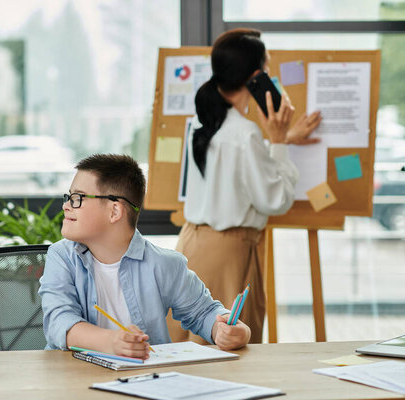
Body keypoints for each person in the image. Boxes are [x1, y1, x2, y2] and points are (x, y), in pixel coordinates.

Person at [167, 28, 322, 344]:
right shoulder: (247, 133)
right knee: (228, 352)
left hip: (192, 244)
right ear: (256, 77)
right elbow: (275, 200)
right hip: (229, 252)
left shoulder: (201, 121)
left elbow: (234, 165)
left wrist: (283, 139)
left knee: (188, 349)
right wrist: (279, 142)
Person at [39, 154, 250, 359]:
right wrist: (112, 342)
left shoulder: (165, 264)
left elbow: (204, 313)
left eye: (78, 198)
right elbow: (59, 322)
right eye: (69, 196)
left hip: (144, 378)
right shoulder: (62, 258)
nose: (66, 205)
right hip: (74, 380)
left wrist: (229, 331)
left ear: (114, 211)